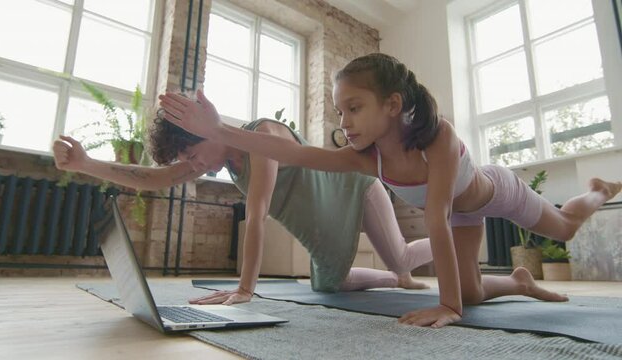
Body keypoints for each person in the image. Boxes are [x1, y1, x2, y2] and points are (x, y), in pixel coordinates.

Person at [158, 52, 622, 328]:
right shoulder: (368, 158)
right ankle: (520, 282)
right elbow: (298, 155)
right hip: (465, 215)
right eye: (340, 112)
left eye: (354, 108)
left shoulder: (438, 135)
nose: (345, 122)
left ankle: (597, 192)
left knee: (563, 228)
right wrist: (220, 129)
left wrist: (446, 305)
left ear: (393, 104)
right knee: (475, 294)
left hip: (499, 192)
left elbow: (436, 217)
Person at [52, 115, 434, 305]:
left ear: (210, 131)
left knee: (400, 256)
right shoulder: (212, 158)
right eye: (185, 160)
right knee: (329, 284)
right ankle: (397, 280)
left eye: (193, 153)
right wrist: (86, 164)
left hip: (356, 188)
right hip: (324, 219)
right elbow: (153, 179)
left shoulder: (263, 135)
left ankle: (450, 232)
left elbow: (258, 212)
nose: (194, 165)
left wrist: (245, 289)